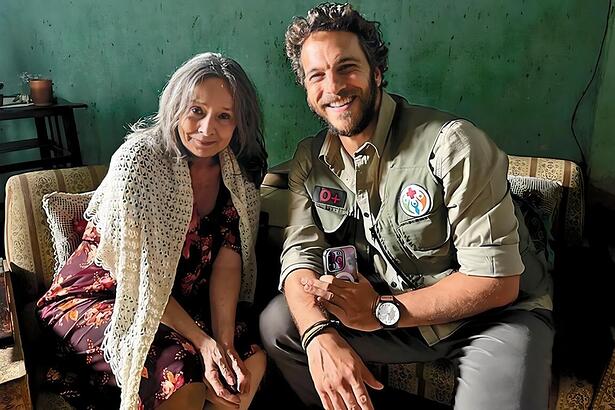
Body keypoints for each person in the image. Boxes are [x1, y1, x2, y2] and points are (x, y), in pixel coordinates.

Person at [259, 3, 554, 410]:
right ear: (308, 92)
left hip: (493, 317)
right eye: (317, 76)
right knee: (281, 322)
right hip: (395, 313)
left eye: (347, 67)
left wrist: (382, 311)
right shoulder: (311, 160)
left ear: (376, 72)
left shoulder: (453, 145)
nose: (334, 86)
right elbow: (299, 259)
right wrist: (318, 336)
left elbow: (496, 282)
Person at [37, 52, 268, 410]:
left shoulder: (236, 174)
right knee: (180, 369)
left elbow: (228, 259)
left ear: (240, 123)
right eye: (196, 111)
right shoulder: (139, 162)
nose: (207, 128)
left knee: (246, 358)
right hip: (105, 297)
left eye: (224, 117)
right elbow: (140, 282)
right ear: (176, 106)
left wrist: (221, 342)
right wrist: (203, 344)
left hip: (178, 304)